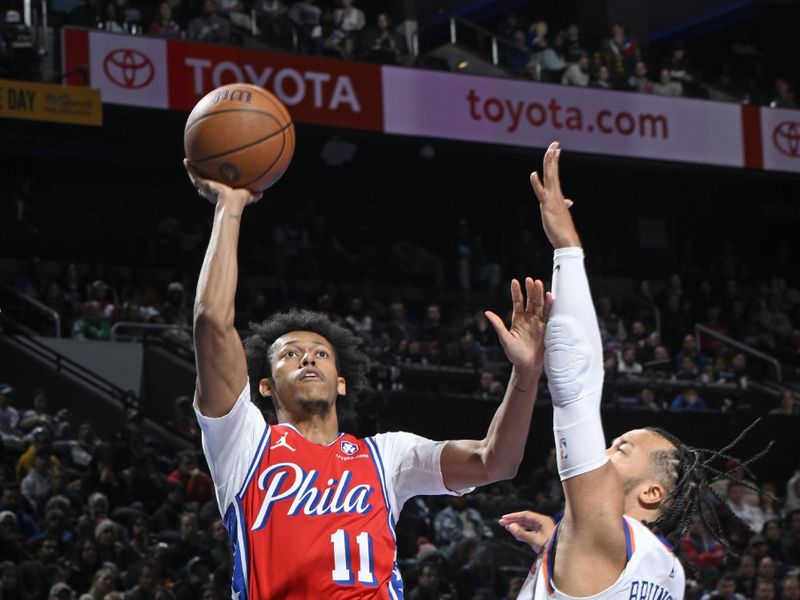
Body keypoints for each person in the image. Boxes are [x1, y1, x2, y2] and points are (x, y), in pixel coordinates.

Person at [184, 157, 552, 598]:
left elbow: (496, 461)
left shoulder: (386, 456)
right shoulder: (242, 443)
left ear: (341, 380)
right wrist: (230, 206)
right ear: (264, 384)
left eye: (321, 353)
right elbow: (211, 322)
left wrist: (526, 375)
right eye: (290, 354)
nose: (309, 359)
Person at [499, 142, 767, 599]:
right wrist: (561, 544)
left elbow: (575, 385)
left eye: (619, 449)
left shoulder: (606, 537)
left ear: (650, 494)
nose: (601, 452)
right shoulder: (669, 573)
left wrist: (567, 247)